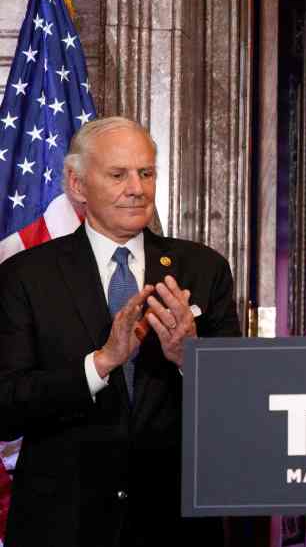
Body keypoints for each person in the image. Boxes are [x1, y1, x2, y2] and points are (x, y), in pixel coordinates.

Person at [0, 117, 240, 547]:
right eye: (118, 174)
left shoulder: (204, 269)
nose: (137, 188)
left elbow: (241, 404)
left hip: (174, 526)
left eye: (146, 173)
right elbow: (5, 406)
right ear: (77, 185)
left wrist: (191, 357)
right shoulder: (25, 276)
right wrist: (100, 363)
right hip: (62, 525)